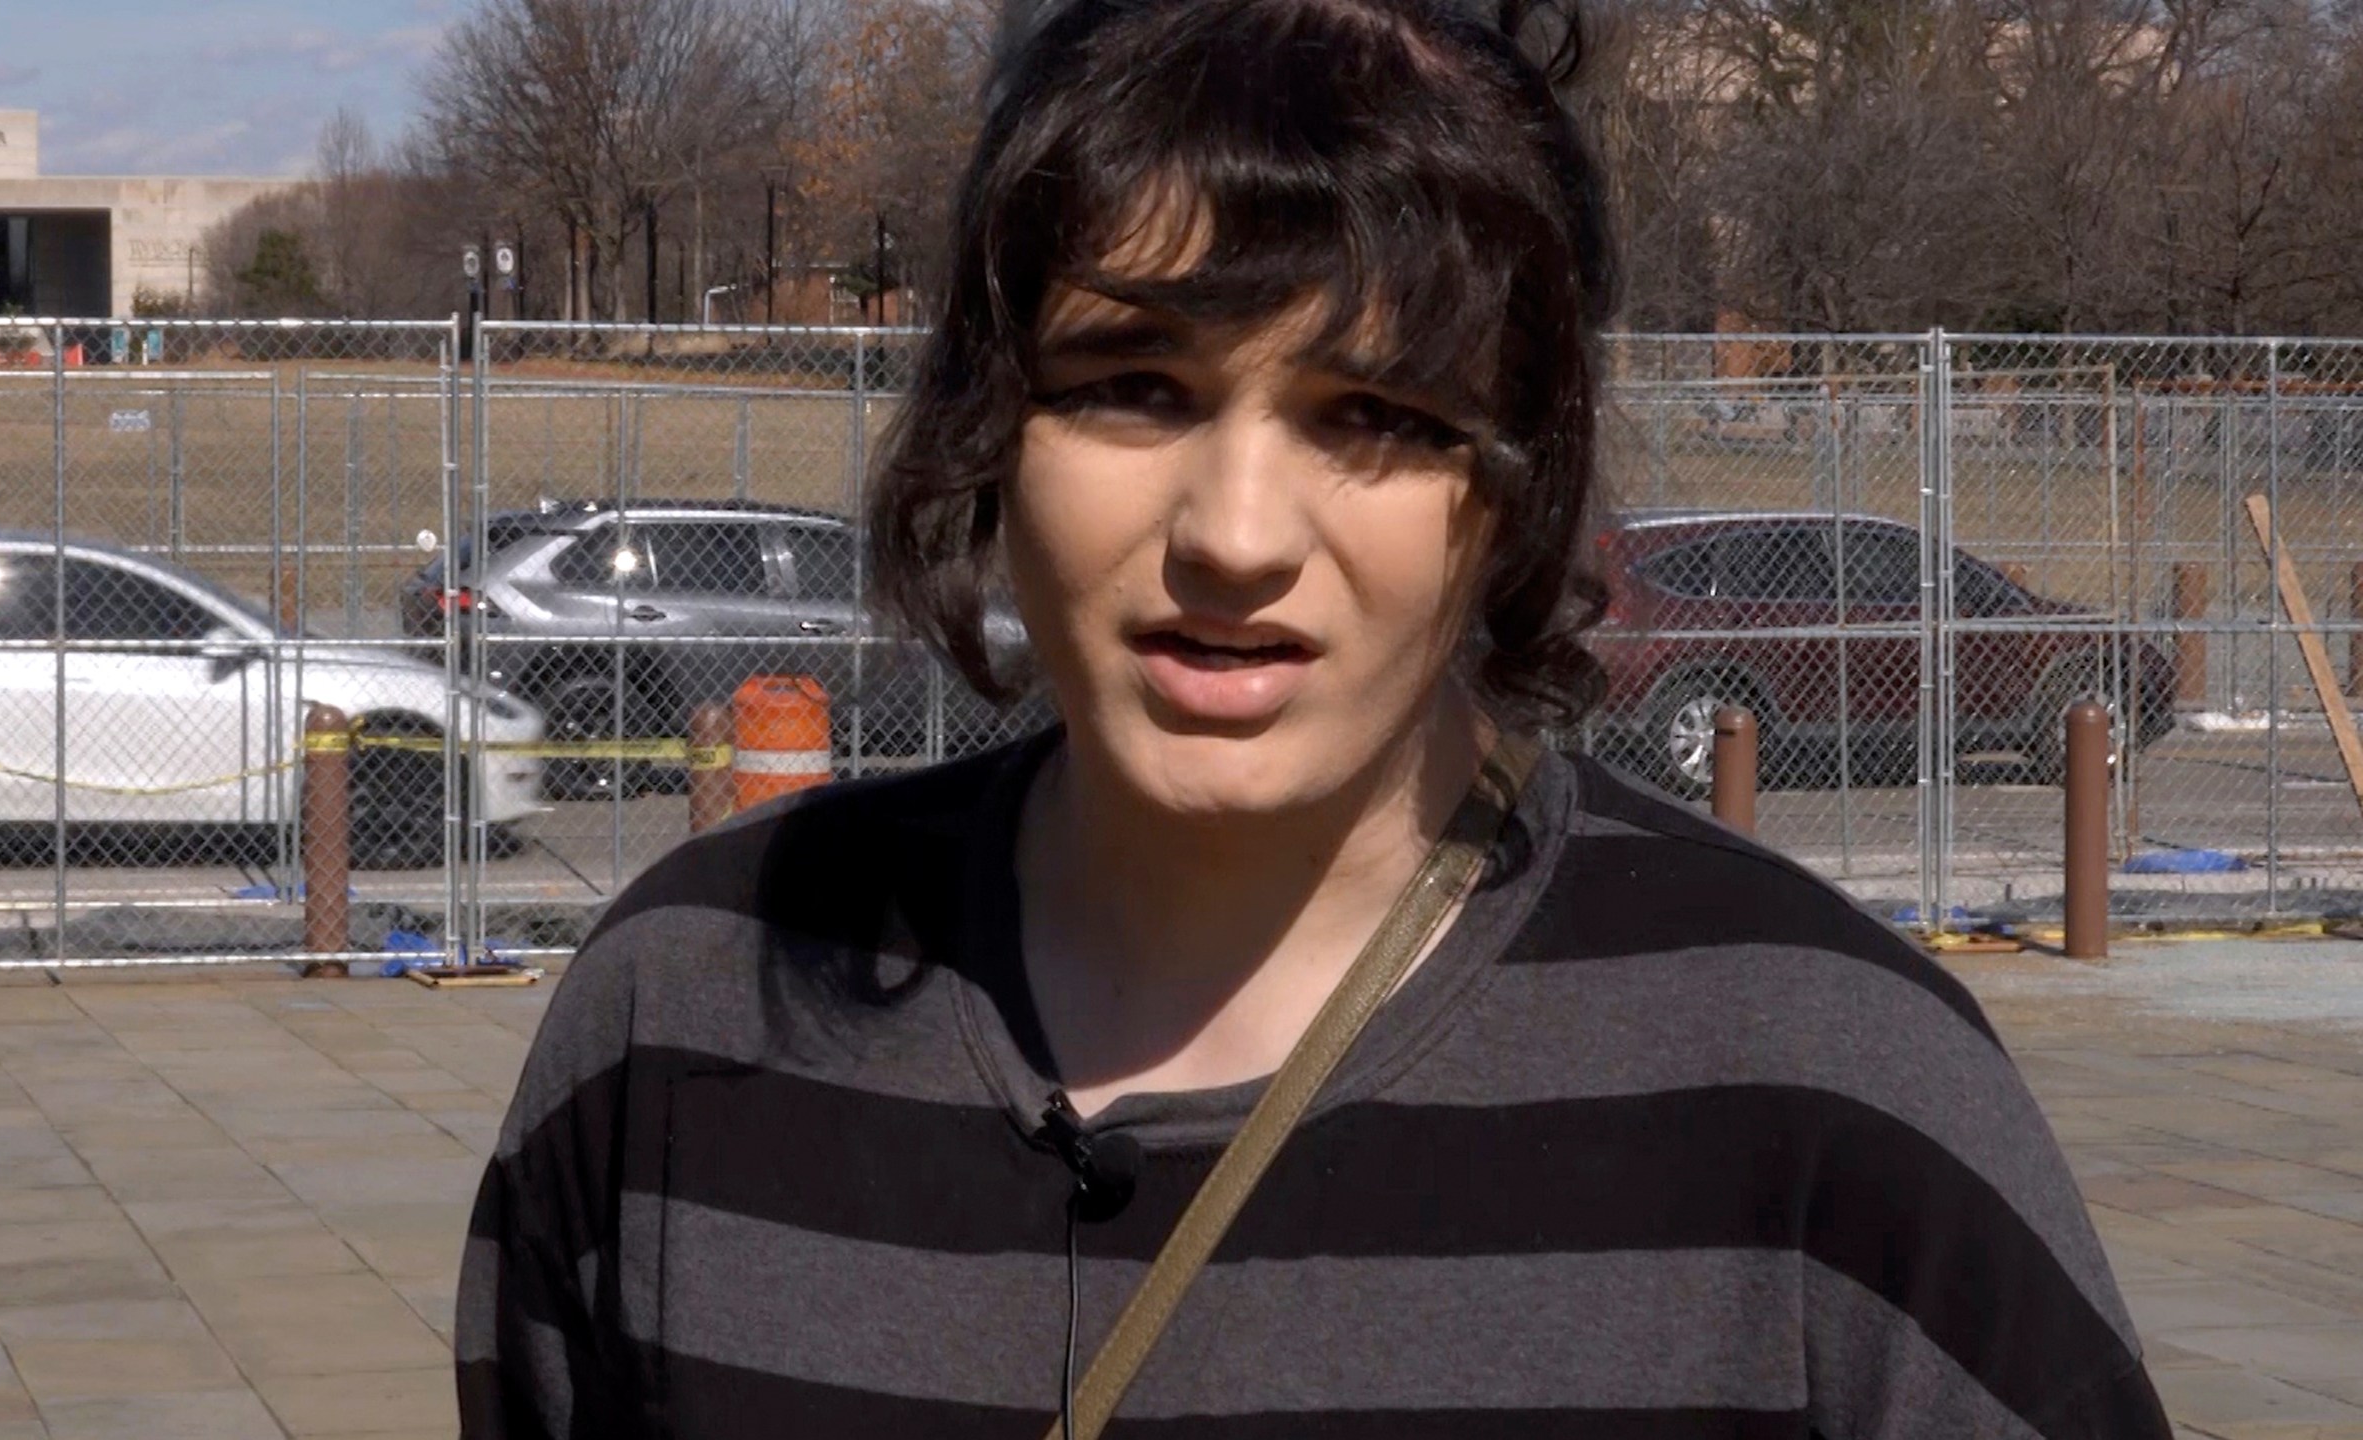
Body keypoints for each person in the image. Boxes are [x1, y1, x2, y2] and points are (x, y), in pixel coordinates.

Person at [456, 0, 2174, 1433]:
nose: (1236, 534)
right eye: (1135, 388)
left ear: (1518, 484)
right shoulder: (684, 1010)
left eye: (1376, 414)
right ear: (991, 426)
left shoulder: (1834, 1097)